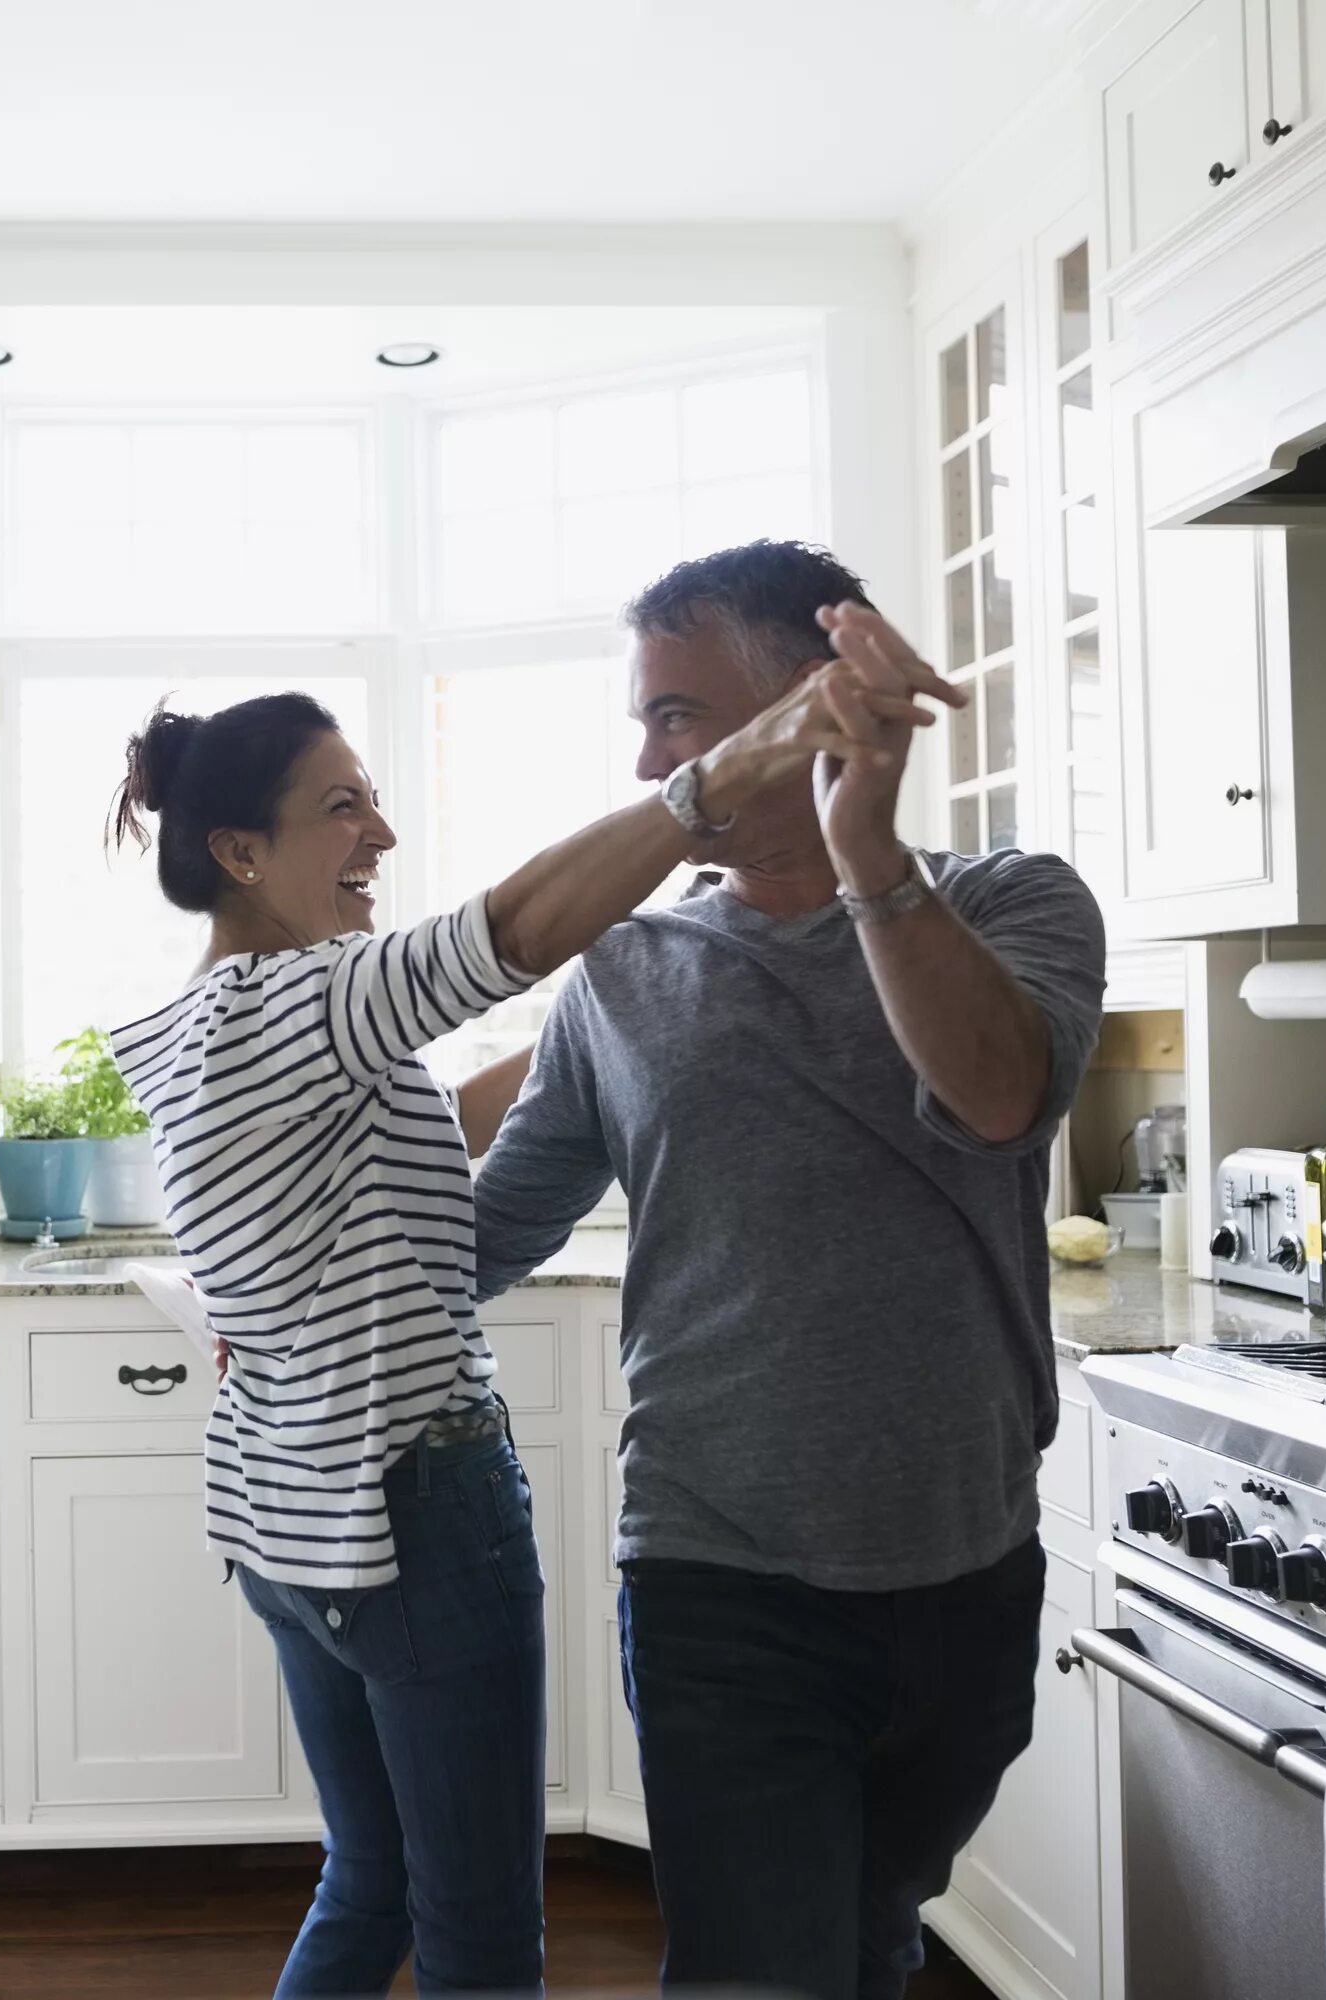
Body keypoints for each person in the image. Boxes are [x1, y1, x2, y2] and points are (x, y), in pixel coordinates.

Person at [104, 643, 957, 1999]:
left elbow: (415, 1134)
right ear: (241, 852)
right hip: (416, 1516)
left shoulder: (213, 1027)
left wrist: (602, 1010)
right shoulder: (310, 1000)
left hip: (292, 1514)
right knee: (482, 1942)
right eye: (341, 807)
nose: (379, 833)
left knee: (370, 1880)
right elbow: (501, 934)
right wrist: (725, 771)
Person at [472, 540, 1108, 2000]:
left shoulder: (1018, 903)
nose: (650, 757)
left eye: (679, 714)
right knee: (761, 1969)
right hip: (719, 1571)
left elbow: (998, 1100)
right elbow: (487, 1235)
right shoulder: (626, 971)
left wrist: (868, 851)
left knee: (875, 1932)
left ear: (810, 702)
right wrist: (281, 1297)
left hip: (967, 1567)